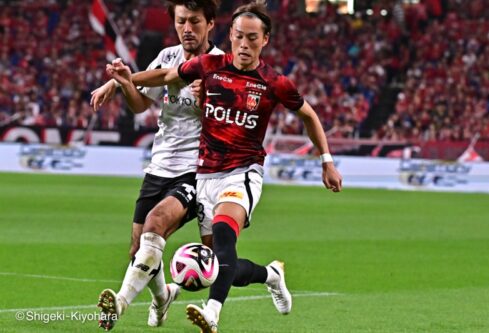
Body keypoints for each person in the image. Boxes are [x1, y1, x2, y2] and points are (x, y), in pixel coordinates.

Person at [106, 1, 342, 332]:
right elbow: (165, 75)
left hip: (243, 172)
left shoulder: (275, 83)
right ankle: (270, 274)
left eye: (253, 39)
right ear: (230, 35)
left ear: (266, 40)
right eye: (240, 37)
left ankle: (212, 313)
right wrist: (120, 80)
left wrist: (326, 161)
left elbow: (309, 115)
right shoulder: (209, 65)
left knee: (222, 238)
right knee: (215, 264)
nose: (245, 45)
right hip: (206, 175)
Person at [91, 0, 223, 330]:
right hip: (158, 165)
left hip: (197, 168)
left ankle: (119, 305)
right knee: (139, 250)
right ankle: (163, 298)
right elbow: (139, 105)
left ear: (211, 24)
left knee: (156, 222)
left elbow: (228, 120)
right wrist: (123, 83)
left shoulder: (222, 64)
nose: (187, 29)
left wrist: (208, 96)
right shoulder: (167, 56)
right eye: (181, 22)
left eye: (194, 21)